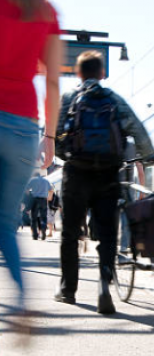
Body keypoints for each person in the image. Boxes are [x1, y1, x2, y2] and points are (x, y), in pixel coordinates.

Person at [55, 51, 154, 314]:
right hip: (108, 175)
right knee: (108, 236)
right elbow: (137, 129)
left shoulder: (68, 98)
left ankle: (67, 290)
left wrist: (65, 155)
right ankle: (103, 287)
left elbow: (55, 136)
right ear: (102, 73)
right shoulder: (114, 99)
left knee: (70, 234)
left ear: (78, 73)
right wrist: (151, 155)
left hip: (75, 173)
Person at [0, 0, 61, 320]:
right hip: (24, 126)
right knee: (5, 225)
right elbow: (52, 81)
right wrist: (49, 136)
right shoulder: (46, 12)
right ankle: (22, 301)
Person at [26, 172, 53, 240]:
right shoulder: (46, 181)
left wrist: (29, 196)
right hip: (43, 200)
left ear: (34, 175)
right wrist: (49, 198)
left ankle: (35, 235)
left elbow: (26, 189)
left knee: (34, 218)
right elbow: (51, 190)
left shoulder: (33, 180)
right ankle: (43, 230)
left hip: (34, 200)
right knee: (43, 217)